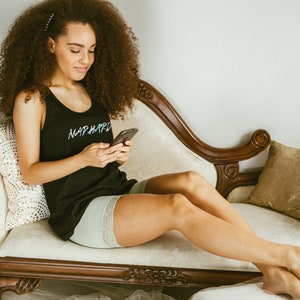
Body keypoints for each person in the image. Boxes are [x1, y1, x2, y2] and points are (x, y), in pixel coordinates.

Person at [0, 0, 299, 298]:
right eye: (75, 50)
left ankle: (270, 271)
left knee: (191, 181)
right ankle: (287, 256)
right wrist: (83, 159)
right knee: (177, 207)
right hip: (81, 212)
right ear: (51, 45)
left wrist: (115, 154)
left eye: (91, 50)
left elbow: (96, 152)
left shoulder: (88, 88)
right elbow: (31, 173)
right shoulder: (32, 99)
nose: (85, 60)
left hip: (116, 190)